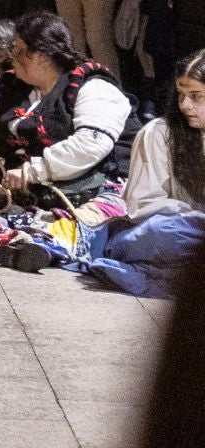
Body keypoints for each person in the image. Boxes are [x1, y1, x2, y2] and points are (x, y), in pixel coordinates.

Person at [0, 9, 132, 271]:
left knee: (82, 224)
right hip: (32, 194)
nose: (11, 57)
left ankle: (32, 248)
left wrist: (35, 170)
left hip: (91, 191)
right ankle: (11, 245)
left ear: (41, 55)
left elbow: (91, 145)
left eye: (18, 49)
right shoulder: (14, 91)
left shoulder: (94, 88)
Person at [77, 48, 205, 297]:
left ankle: (158, 279)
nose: (185, 104)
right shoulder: (159, 133)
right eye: (181, 95)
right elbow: (143, 205)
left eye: (196, 96)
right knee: (169, 235)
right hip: (162, 235)